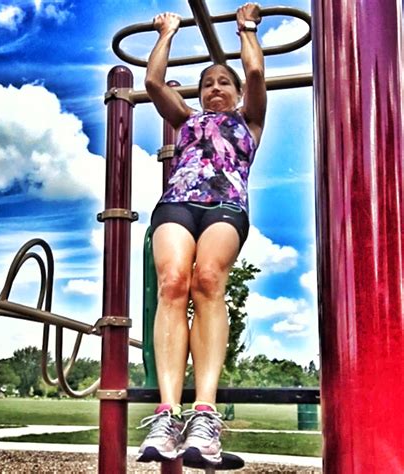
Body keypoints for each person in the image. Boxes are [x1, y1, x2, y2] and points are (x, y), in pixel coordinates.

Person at [137, 2, 267, 466]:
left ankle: (205, 416)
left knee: (208, 280)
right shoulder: (186, 120)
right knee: (173, 282)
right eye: (208, 82)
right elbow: (153, 83)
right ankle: (168, 415)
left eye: (223, 82)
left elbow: (254, 73)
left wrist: (245, 29)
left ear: (234, 93)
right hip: (177, 203)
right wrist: (167, 33)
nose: (216, 86)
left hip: (226, 206)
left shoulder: (248, 120)